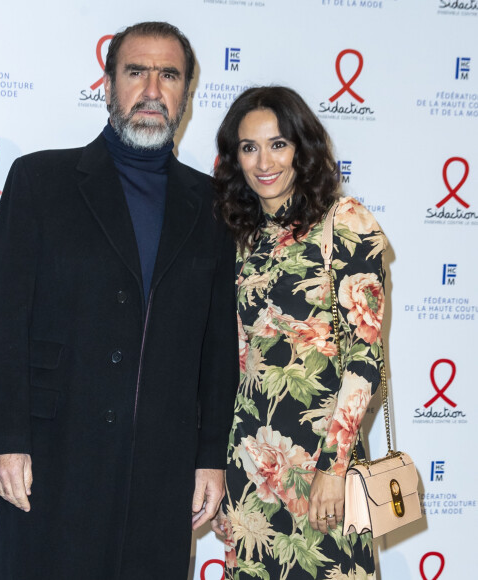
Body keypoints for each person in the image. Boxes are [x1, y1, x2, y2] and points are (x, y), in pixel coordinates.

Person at [0, 21, 238, 580]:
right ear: (108, 83)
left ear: (186, 94)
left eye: (168, 75)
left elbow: (217, 348)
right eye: (136, 71)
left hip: (162, 467)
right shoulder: (40, 181)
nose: (151, 89)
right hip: (54, 455)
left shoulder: (211, 205)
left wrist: (210, 455)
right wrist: (4, 441)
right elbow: (2, 321)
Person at [212, 87, 386, 579]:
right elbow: (233, 362)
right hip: (249, 466)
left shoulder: (346, 222)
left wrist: (334, 468)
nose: (264, 161)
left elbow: (364, 357)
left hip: (321, 467)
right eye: (249, 147)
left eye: (278, 144)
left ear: (302, 149)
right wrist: (221, 474)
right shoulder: (237, 237)